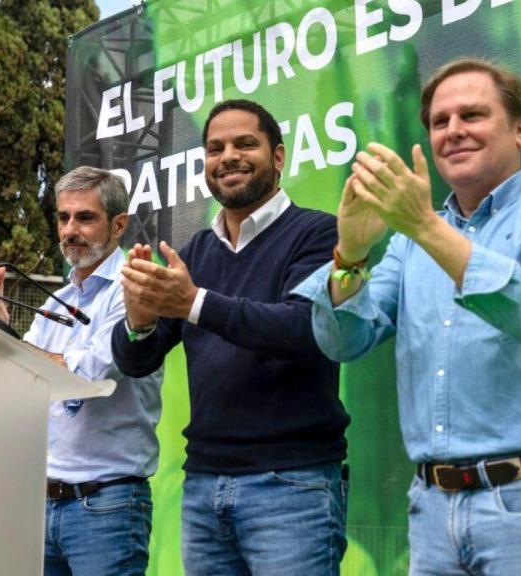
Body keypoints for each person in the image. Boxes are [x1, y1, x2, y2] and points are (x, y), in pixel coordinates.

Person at [294, 58, 521, 575]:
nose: (453, 131)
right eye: (439, 122)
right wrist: (350, 253)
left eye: (472, 115)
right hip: (432, 510)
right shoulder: (409, 243)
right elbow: (343, 341)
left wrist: (423, 225)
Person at [110, 99, 350, 575]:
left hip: (292, 486)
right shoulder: (196, 250)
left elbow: (304, 328)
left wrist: (196, 303)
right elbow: (138, 362)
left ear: (278, 157)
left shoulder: (318, 233)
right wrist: (139, 323)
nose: (229, 157)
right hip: (203, 489)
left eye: (246, 144)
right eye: (215, 148)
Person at [0, 166, 163, 576]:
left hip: (107, 506)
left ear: (118, 225)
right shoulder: (54, 301)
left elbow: (83, 379)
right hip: (42, 504)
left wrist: (14, 345)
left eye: (85, 217)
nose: (70, 230)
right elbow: (25, 376)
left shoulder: (135, 289)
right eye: (63, 218)